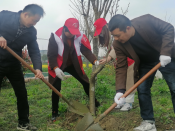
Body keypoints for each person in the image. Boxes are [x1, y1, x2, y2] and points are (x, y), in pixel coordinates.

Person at [108, 14, 175, 131]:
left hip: (165, 57)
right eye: (114, 36)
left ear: (128, 28)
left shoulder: (146, 21)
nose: (116, 39)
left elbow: (168, 28)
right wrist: (120, 91)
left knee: (174, 87)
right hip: (146, 63)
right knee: (142, 89)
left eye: (118, 35)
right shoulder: (117, 44)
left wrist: (165, 52)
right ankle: (148, 122)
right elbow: (121, 66)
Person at [0, 4, 45, 131]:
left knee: (21, 93)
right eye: (34, 20)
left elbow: (34, 51)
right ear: (26, 15)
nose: (34, 24)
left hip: (13, 64)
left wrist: (38, 68)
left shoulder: (31, 31)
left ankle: (23, 123)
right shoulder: (4, 16)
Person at [47, 18, 100, 122]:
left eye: (74, 32)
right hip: (59, 64)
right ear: (65, 29)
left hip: (73, 64)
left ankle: (95, 102)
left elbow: (85, 50)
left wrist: (94, 61)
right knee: (56, 87)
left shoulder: (78, 35)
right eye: (70, 32)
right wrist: (55, 68)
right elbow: (51, 55)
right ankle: (54, 112)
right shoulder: (55, 36)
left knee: (86, 82)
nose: (72, 35)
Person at [94, 18, 136, 111]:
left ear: (105, 27)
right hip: (120, 62)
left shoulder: (115, 34)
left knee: (129, 82)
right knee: (121, 82)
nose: (100, 34)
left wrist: (109, 57)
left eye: (101, 32)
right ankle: (122, 101)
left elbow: (117, 48)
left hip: (129, 60)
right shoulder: (109, 38)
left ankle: (129, 102)